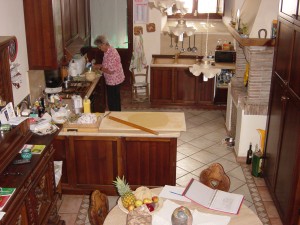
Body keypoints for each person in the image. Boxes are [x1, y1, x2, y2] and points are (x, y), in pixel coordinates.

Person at [94, 35, 125, 111]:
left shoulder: (112, 53)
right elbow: (107, 65)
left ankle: (116, 117)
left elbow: (110, 71)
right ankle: (115, 115)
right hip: (112, 80)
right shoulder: (108, 51)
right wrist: (99, 65)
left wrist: (100, 68)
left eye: (99, 46)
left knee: (113, 101)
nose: (99, 48)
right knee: (113, 100)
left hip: (114, 80)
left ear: (104, 44)